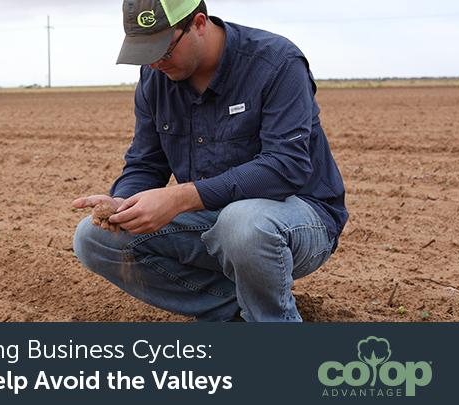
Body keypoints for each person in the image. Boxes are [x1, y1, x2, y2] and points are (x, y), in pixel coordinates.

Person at [72, 0, 348, 322]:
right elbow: (146, 163)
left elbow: (286, 166)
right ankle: (237, 312)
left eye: (163, 48)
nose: (156, 62)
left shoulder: (276, 62)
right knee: (94, 239)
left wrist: (180, 197)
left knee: (242, 222)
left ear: (199, 24)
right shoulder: (154, 78)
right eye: (145, 51)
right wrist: (122, 201)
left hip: (297, 220)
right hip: (213, 221)